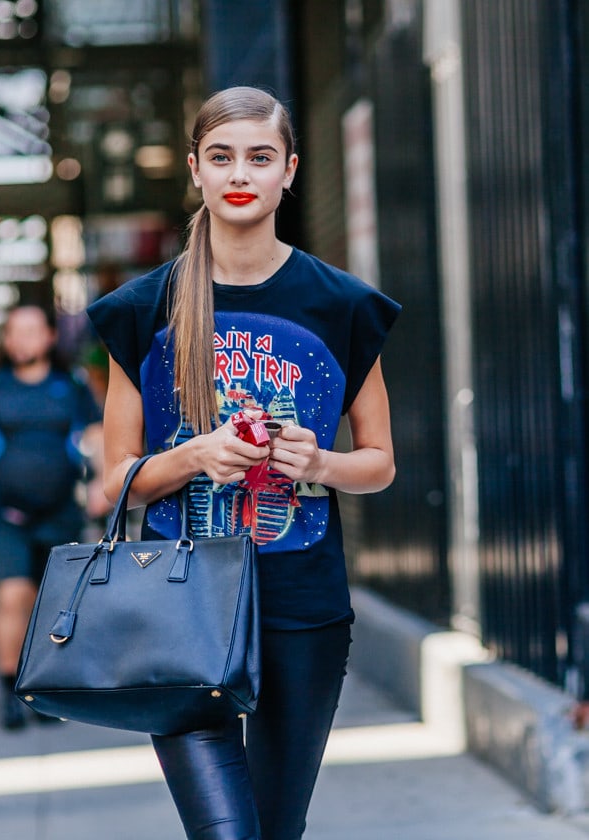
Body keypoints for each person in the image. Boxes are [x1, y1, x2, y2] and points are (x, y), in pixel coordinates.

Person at [87, 86, 400, 839]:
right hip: (178, 608)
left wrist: (319, 462)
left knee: (275, 829)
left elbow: (381, 462)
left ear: (288, 170)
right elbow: (116, 480)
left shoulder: (341, 305)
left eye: (260, 157)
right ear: (195, 168)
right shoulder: (143, 308)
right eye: (221, 157)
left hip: (302, 606)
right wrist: (195, 454)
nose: (240, 174)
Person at [0, 305, 102, 730]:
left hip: (60, 511)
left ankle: (41, 690)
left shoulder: (71, 384)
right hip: (6, 513)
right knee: (13, 595)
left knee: (51, 602)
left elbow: (96, 435)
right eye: (15, 332)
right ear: (6, 340)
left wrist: (101, 482)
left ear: (50, 336)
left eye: (32, 330)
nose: (23, 339)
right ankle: (10, 691)